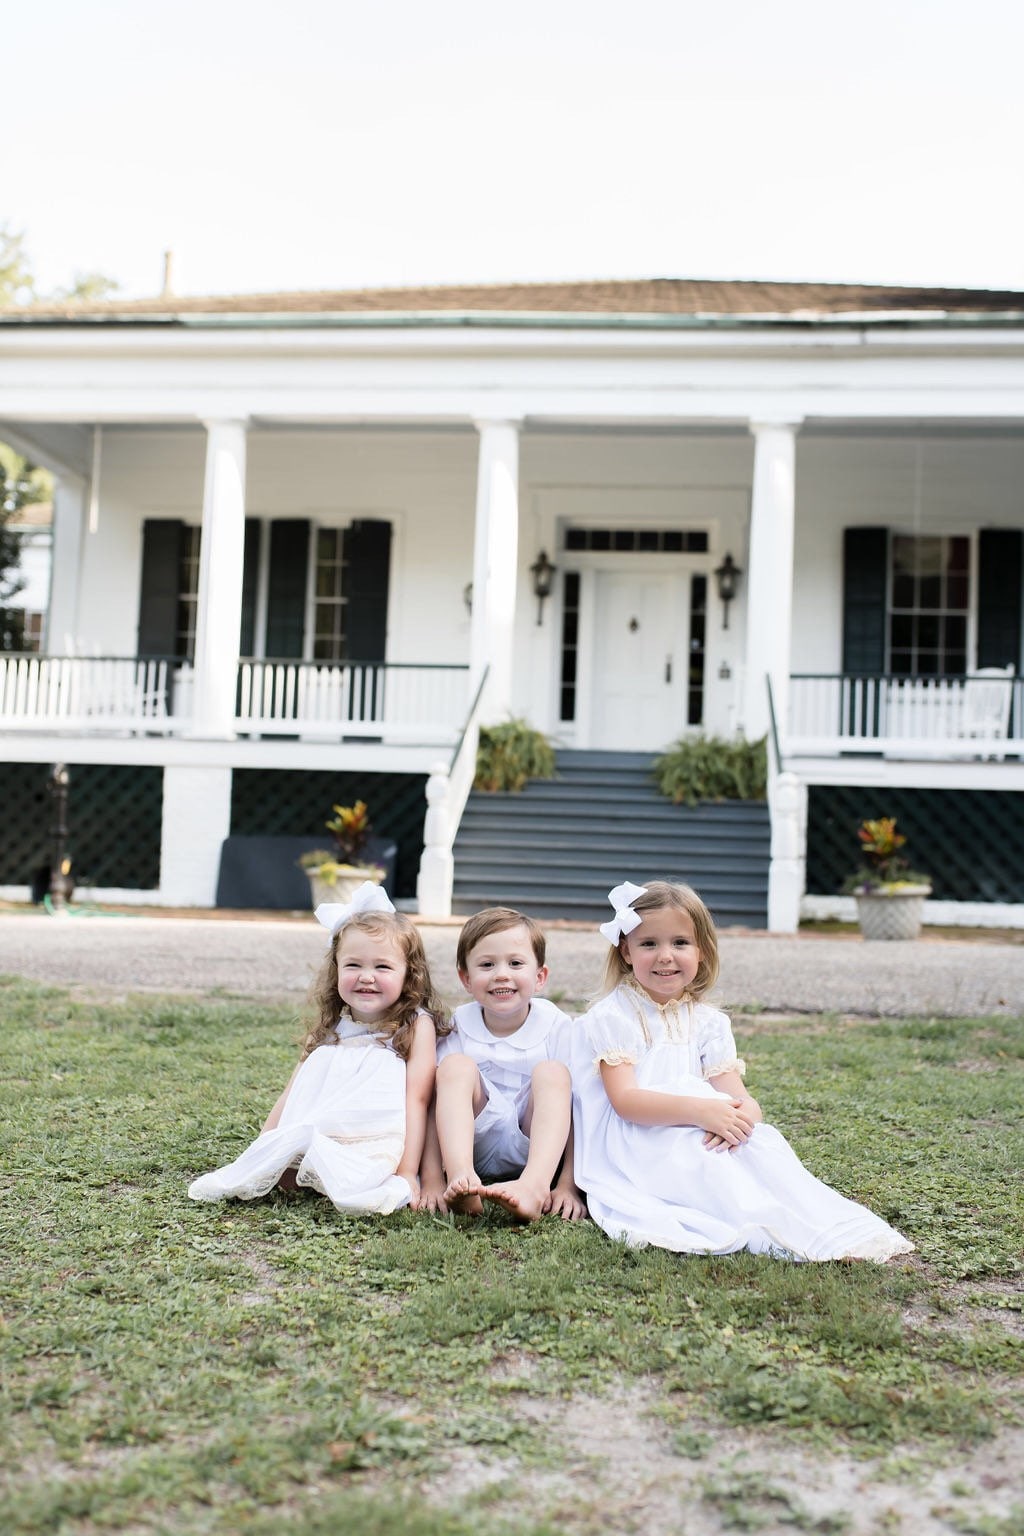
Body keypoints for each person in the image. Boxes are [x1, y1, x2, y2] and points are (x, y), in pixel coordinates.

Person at [569, 879, 914, 1261]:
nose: (665, 955)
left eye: (680, 943)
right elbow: (626, 1101)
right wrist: (702, 1111)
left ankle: (818, 1230)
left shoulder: (709, 1022)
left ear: (701, 951)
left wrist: (743, 1117)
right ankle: (779, 1235)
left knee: (764, 1147)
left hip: (700, 1120)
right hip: (638, 1134)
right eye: (649, 943)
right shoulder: (615, 1016)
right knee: (703, 1160)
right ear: (626, 951)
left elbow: (736, 1094)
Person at [188, 883, 448, 1214]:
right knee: (285, 1161)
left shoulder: (415, 1024)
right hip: (319, 1131)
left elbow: (419, 1099)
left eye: (382, 967)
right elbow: (290, 1092)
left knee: (362, 1184)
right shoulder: (331, 1028)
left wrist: (409, 1172)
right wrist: (261, 1149)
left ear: (409, 975)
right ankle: (305, 1169)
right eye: (354, 965)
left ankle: (344, 1174)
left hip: (372, 1138)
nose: (367, 977)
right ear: (336, 969)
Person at [421, 906, 586, 1222]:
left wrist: (568, 1185)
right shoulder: (460, 1024)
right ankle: (462, 1179)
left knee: (554, 1073)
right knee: (454, 1067)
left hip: (535, 1139)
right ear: (466, 978)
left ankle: (534, 1187)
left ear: (540, 977)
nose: (501, 974)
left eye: (515, 963)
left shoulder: (555, 1024)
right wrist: (432, 1178)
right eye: (486, 964)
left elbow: (579, 1106)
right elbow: (433, 1104)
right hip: (474, 1142)